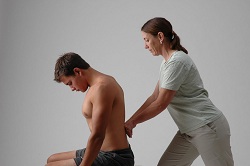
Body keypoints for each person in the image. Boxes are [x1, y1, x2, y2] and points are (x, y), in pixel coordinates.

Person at [125, 17, 234, 166]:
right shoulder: (166, 63)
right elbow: (154, 97)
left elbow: (161, 103)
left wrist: (133, 122)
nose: (145, 46)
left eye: (147, 40)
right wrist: (130, 121)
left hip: (207, 127)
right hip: (188, 131)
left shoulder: (177, 62)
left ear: (160, 37)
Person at [46, 52, 134, 166]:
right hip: (102, 152)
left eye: (70, 83)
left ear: (77, 71)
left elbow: (98, 135)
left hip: (114, 158)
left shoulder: (102, 88)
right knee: (52, 159)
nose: (72, 88)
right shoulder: (98, 85)